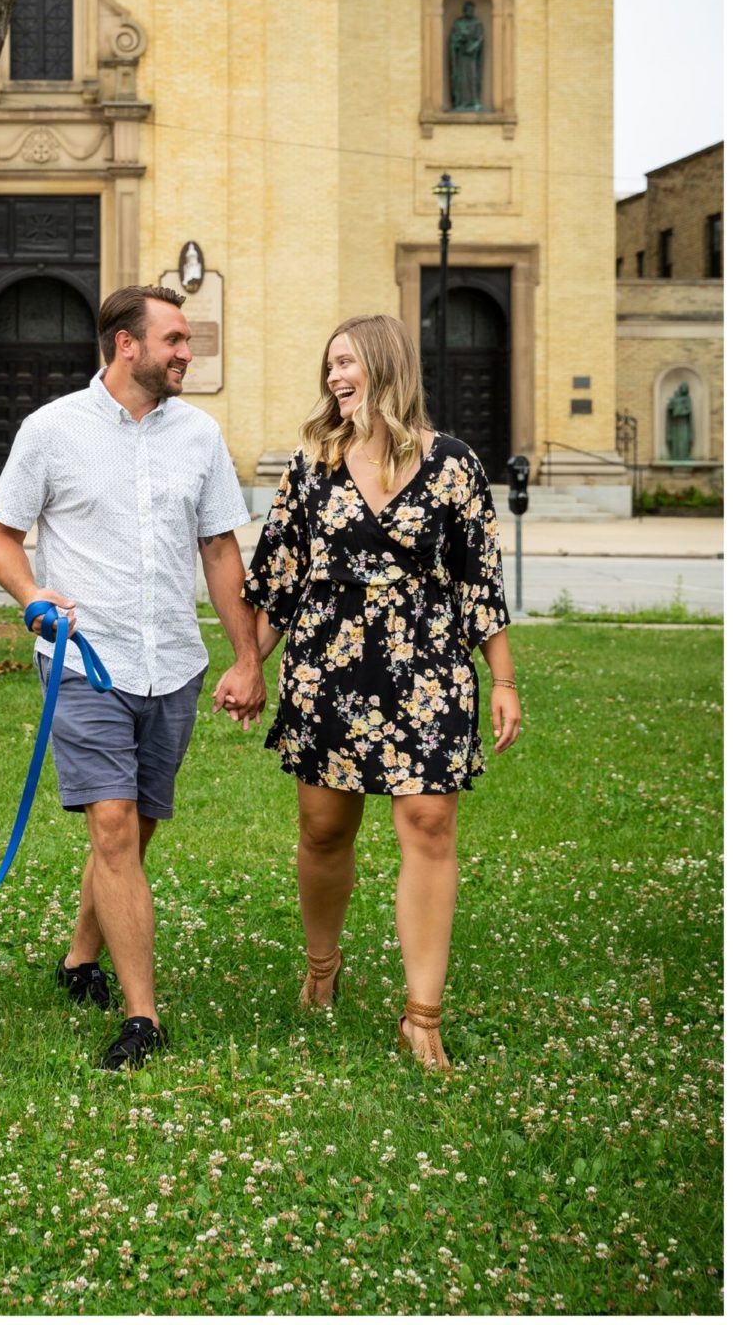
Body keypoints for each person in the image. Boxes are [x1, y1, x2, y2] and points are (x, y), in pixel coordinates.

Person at [215, 313, 521, 1072]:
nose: (335, 377)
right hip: (329, 669)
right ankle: (322, 969)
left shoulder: (454, 466)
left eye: (346, 362)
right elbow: (278, 582)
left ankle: (423, 1016)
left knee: (428, 824)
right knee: (323, 830)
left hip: (428, 670)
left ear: (384, 366)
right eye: (329, 367)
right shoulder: (310, 466)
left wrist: (504, 678)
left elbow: (481, 584)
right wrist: (248, 663)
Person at [0, 284, 265, 1070]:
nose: (186, 353)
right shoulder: (51, 431)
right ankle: (142, 1018)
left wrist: (247, 657)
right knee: (111, 829)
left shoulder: (201, 436)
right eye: (174, 339)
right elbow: (2, 536)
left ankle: (78, 959)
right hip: (83, 660)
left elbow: (219, 552)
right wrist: (32, 594)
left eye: (187, 341)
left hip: (171, 662)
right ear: (126, 345)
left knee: (134, 833)